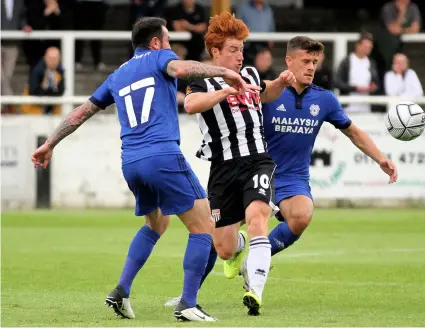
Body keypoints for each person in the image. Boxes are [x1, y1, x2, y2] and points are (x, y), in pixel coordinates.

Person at [30, 17, 260, 323]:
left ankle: (121, 291)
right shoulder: (160, 58)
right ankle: (188, 304)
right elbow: (181, 69)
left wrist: (50, 144)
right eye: (166, 41)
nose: (169, 48)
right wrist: (226, 72)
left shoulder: (117, 75)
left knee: (156, 224)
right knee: (204, 226)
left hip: (131, 161)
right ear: (155, 43)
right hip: (162, 155)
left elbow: (82, 112)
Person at [164, 12, 296, 316]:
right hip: (223, 169)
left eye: (241, 50)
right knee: (222, 246)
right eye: (233, 50)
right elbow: (189, 104)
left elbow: (266, 94)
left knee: (258, 219)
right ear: (216, 52)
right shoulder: (203, 80)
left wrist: (281, 82)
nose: (240, 56)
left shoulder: (249, 73)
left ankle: (255, 291)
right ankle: (237, 248)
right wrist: (225, 90)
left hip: (257, 161)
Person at [245, 36, 398, 285]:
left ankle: (256, 259)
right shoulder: (269, 91)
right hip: (257, 171)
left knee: (302, 216)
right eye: (306, 60)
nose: (311, 67)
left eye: (315, 62)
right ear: (288, 60)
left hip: (293, 177)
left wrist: (380, 158)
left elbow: (353, 131)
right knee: (223, 237)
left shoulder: (324, 99)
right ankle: (192, 292)